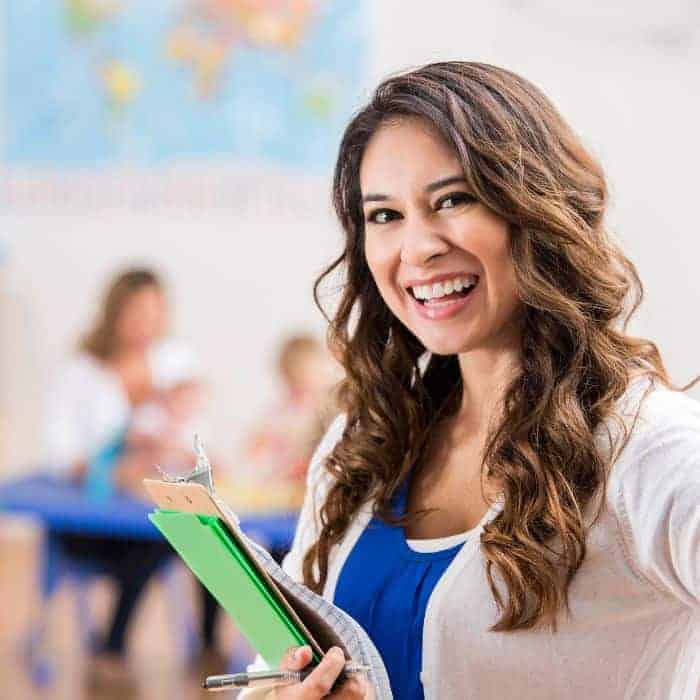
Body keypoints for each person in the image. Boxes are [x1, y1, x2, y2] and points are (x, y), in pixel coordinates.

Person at [240, 62, 700, 699]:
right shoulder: (365, 441)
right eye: (384, 215)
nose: (417, 247)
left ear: (535, 209)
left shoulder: (648, 449)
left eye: (453, 200)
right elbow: (283, 664)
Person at [43, 267, 199, 687]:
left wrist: (171, 450)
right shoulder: (80, 370)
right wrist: (114, 463)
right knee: (153, 536)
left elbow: (194, 441)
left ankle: (207, 645)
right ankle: (112, 647)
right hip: (93, 522)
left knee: (207, 527)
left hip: (155, 510)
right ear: (114, 312)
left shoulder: (175, 363)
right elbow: (61, 456)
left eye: (155, 312)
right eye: (137, 312)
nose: (147, 323)